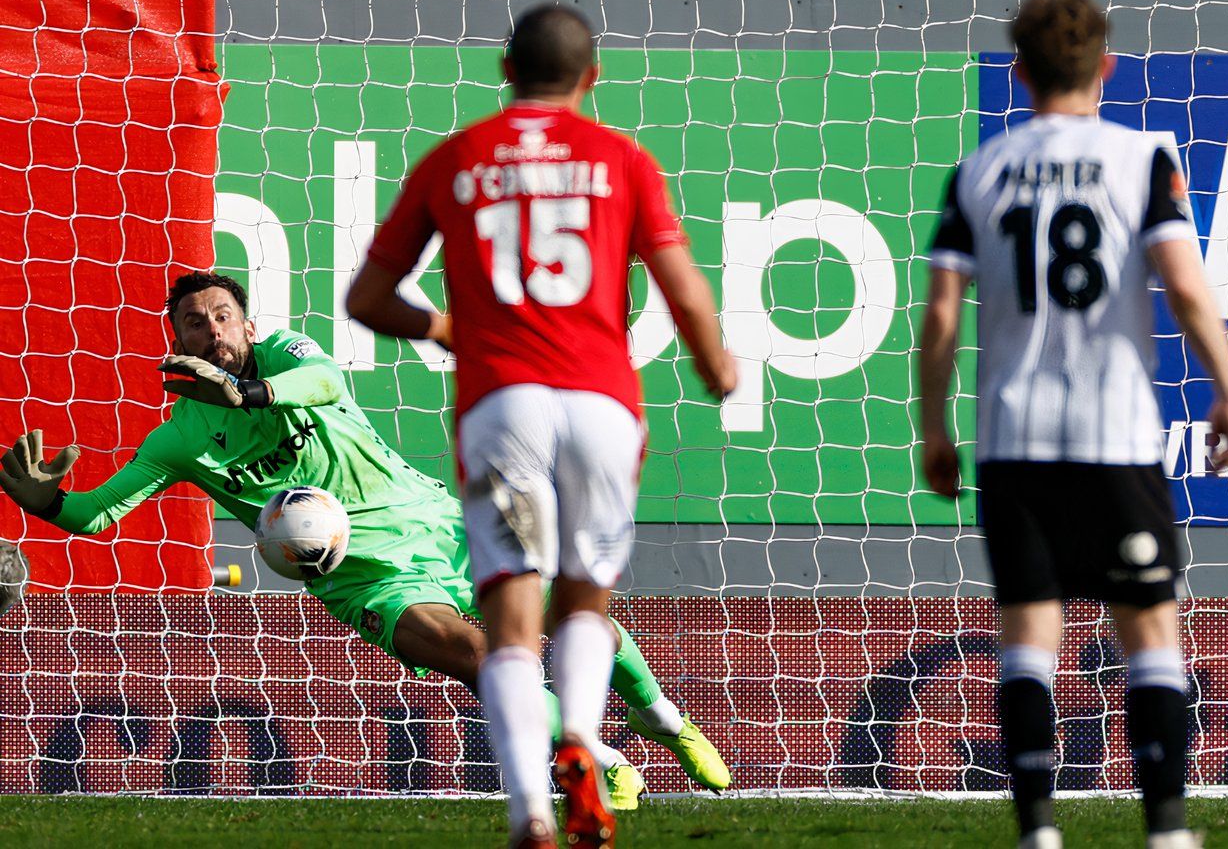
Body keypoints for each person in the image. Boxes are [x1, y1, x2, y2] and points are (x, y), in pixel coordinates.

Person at [0, 270, 732, 810]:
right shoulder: (181, 440)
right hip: (365, 581)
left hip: (437, 525)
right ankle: (594, 761)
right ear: (177, 341)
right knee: (480, 658)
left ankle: (663, 717)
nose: (212, 330)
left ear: (247, 327)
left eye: (222, 316)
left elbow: (320, 380)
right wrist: (46, 501)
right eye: (194, 323)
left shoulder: (286, 353)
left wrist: (252, 394)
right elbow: (99, 514)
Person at [347, 4, 735, 849]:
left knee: (512, 624)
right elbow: (684, 286)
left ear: (504, 70)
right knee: (586, 602)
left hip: (503, 408)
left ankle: (531, 810)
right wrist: (717, 367)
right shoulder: (621, 159)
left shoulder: (455, 161)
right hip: (600, 404)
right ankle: (582, 742)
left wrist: (444, 328)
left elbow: (368, 300)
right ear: (590, 78)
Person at [917, 0, 1228, 849]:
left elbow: (943, 312)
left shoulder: (979, 169)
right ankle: (1167, 830)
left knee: (1029, 630)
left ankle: (1037, 831)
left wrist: (935, 427)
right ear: (1105, 66)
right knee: (1148, 628)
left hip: (1013, 436)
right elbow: (1182, 285)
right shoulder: (1143, 159)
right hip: (1115, 435)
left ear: (1019, 71)